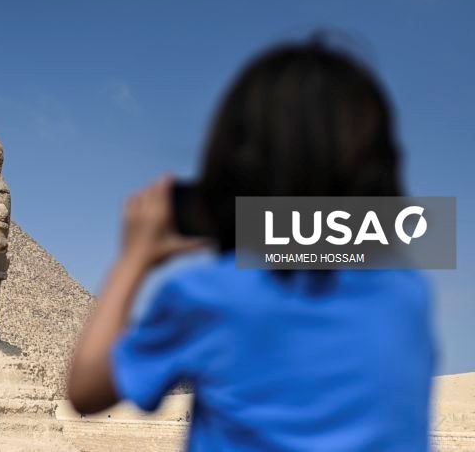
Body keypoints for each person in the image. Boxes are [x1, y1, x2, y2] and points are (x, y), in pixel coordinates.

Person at [67, 38, 436, 451]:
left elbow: (86, 390)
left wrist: (133, 260)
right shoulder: (407, 295)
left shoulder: (209, 296)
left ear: (229, 165)